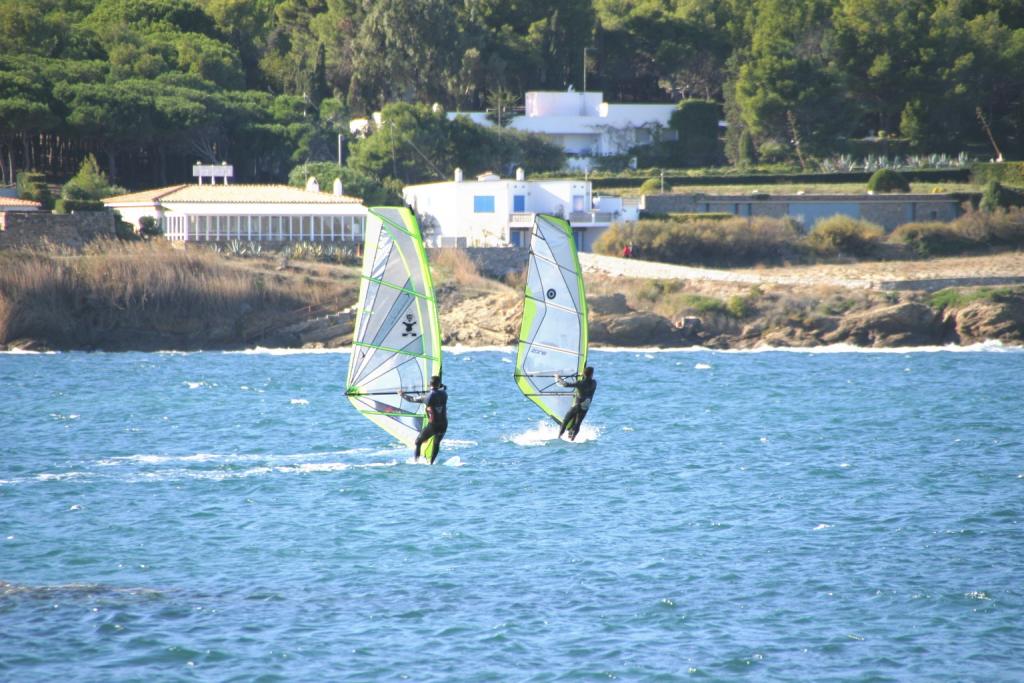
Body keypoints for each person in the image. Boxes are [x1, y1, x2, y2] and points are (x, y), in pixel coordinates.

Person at [399, 375, 448, 464]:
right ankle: (431, 463)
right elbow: (444, 388)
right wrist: (441, 386)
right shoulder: (444, 394)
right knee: (436, 443)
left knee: (418, 442)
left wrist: (402, 395)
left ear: (430, 385)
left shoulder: (427, 397)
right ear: (439, 384)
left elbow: (412, 399)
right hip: (444, 424)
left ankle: (416, 462)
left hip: (433, 425)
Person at [555, 366, 596, 441]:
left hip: (578, 405)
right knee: (578, 423)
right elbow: (587, 379)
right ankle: (572, 439)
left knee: (566, 420)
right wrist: (583, 374)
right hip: (586, 405)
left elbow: (566, 384)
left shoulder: (580, 383)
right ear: (592, 374)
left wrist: (558, 378)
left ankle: (559, 437)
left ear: (584, 374)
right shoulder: (594, 383)